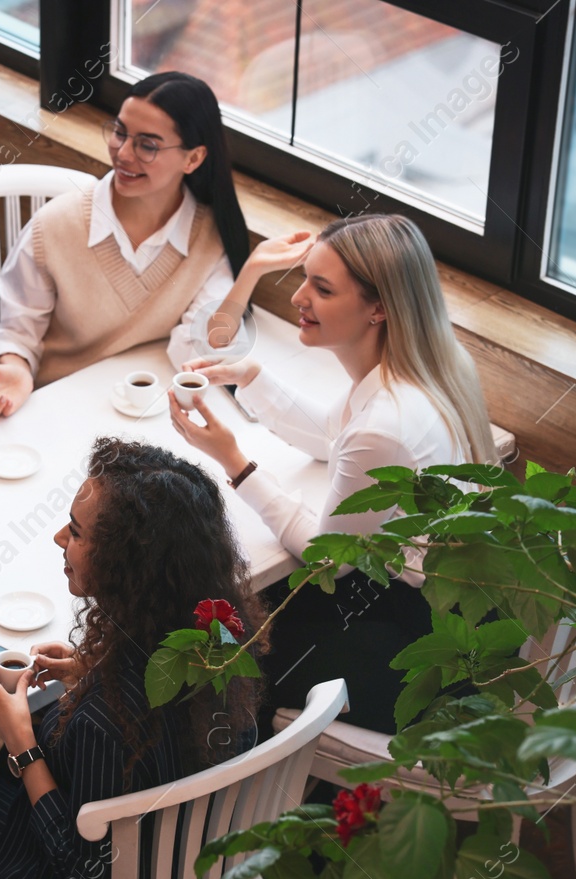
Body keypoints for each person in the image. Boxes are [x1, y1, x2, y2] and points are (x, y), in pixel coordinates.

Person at [0, 437, 260, 879]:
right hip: (190, 871)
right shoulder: (218, 641)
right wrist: (92, 668)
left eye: (75, 532)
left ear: (127, 564)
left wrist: (21, 743)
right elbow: (165, 710)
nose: (58, 538)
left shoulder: (104, 722)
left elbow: (79, 871)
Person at [168, 213, 498, 735]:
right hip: (446, 609)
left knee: (218, 639)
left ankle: (229, 773)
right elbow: (332, 437)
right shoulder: (420, 367)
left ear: (379, 309)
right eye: (305, 278)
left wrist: (235, 462)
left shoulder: (386, 422)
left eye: (321, 288)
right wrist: (251, 379)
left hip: (410, 640)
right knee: (234, 606)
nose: (298, 297)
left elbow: (328, 559)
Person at [0, 72, 252, 417]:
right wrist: (17, 367)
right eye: (119, 132)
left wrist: (252, 271)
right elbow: (18, 332)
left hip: (142, 407)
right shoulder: (53, 227)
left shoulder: (211, 236)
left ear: (193, 159)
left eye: (147, 145)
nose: (123, 153)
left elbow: (195, 352)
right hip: (55, 404)